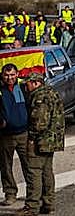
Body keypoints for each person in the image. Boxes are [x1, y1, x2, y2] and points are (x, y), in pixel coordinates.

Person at [16, 70, 62, 216]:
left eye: (28, 84)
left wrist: (32, 137)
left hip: (40, 140)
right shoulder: (52, 93)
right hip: (52, 140)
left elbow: (39, 122)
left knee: (34, 172)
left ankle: (32, 206)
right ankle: (49, 203)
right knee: (47, 171)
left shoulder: (40, 97)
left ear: (36, 83)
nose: (26, 87)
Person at [0, 63, 29, 207]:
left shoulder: (24, 88)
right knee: (6, 166)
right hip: (5, 136)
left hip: (24, 133)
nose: (9, 78)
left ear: (17, 74)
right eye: (6, 75)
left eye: (12, 74)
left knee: (29, 165)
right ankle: (10, 193)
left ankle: (33, 193)